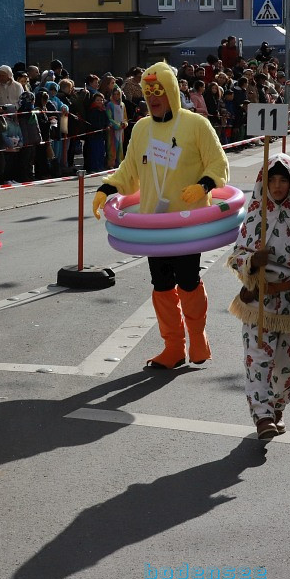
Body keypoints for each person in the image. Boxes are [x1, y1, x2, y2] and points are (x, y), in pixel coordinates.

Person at [92, 61, 230, 369]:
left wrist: (203, 185)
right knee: (161, 284)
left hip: (186, 225)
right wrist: (107, 188)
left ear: (170, 91)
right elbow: (129, 171)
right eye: (147, 90)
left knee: (189, 280)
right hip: (154, 225)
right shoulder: (141, 128)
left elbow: (218, 163)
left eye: (158, 90)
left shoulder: (196, 124)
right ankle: (173, 347)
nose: (153, 96)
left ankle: (198, 339)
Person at [227, 154, 290, 439]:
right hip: (258, 302)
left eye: (283, 179)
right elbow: (236, 257)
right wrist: (252, 264)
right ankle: (262, 416)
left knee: (288, 364)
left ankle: (277, 407)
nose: (277, 185)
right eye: (272, 179)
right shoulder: (255, 215)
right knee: (257, 359)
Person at [105, 87, 126, 169]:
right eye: (115, 94)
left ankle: (120, 162)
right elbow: (109, 117)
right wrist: (117, 125)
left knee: (120, 146)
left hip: (121, 130)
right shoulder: (110, 105)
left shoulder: (123, 105)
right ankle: (111, 163)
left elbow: (125, 117)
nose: (116, 96)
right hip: (113, 130)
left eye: (118, 94)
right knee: (112, 146)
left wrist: (125, 124)